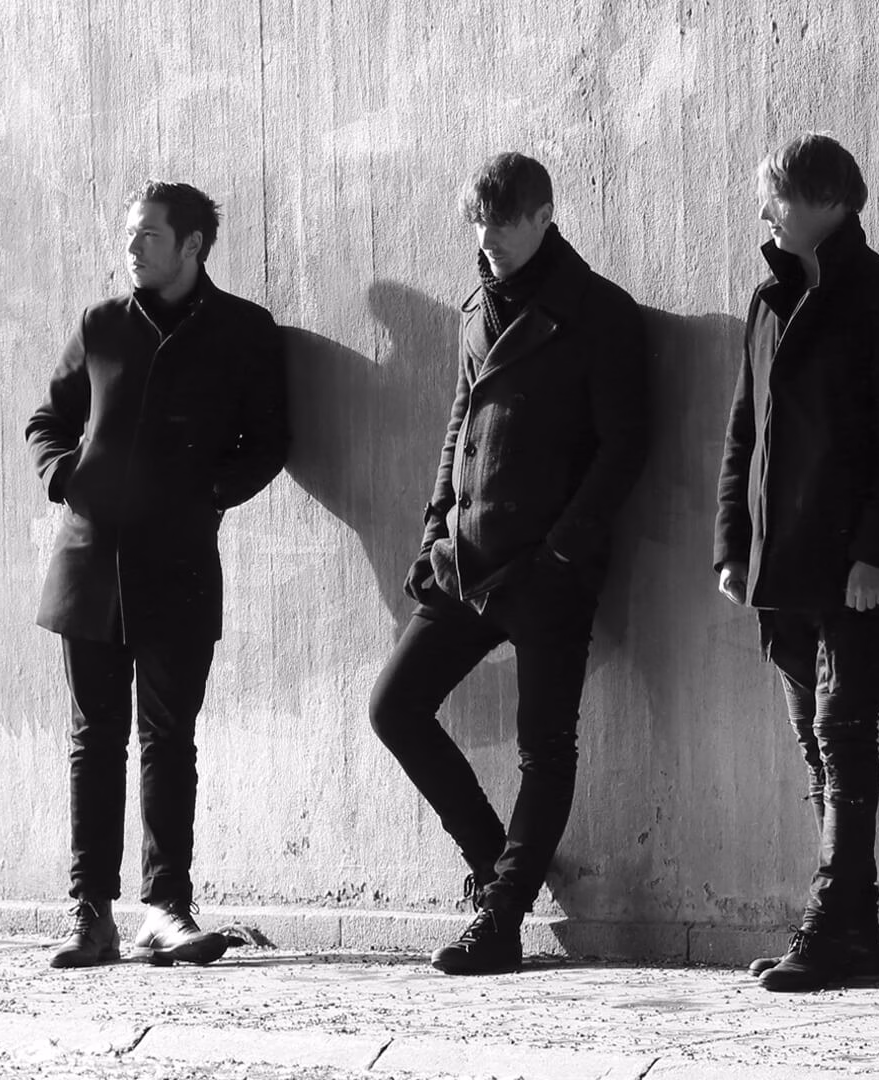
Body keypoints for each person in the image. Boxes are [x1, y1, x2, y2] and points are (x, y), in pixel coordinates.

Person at [368, 152, 648, 976]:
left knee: (544, 747)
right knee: (395, 707)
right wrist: (432, 535)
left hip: (546, 571)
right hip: (464, 561)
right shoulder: (476, 308)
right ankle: (498, 869)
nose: (483, 239)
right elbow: (458, 423)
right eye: (475, 224)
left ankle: (501, 919)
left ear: (542, 216)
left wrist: (560, 553)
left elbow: (625, 448)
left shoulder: (600, 313)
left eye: (498, 223)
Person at [27, 180, 289, 968]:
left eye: (148, 236)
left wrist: (205, 496)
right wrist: (69, 476)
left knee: (169, 738)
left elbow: (269, 442)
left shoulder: (244, 330)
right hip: (89, 564)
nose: (132, 247)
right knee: (92, 739)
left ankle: (166, 909)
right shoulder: (101, 325)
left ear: (193, 246)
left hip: (177, 562)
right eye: (128, 234)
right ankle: (90, 912)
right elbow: (48, 420)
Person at [714, 133, 879, 993]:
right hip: (784, 570)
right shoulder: (769, 300)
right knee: (818, 747)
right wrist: (733, 545)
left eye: (775, 196)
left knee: (843, 739)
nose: (763, 212)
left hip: (853, 569)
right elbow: (744, 435)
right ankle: (850, 933)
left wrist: (877, 552)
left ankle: (832, 928)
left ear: (827, 200)